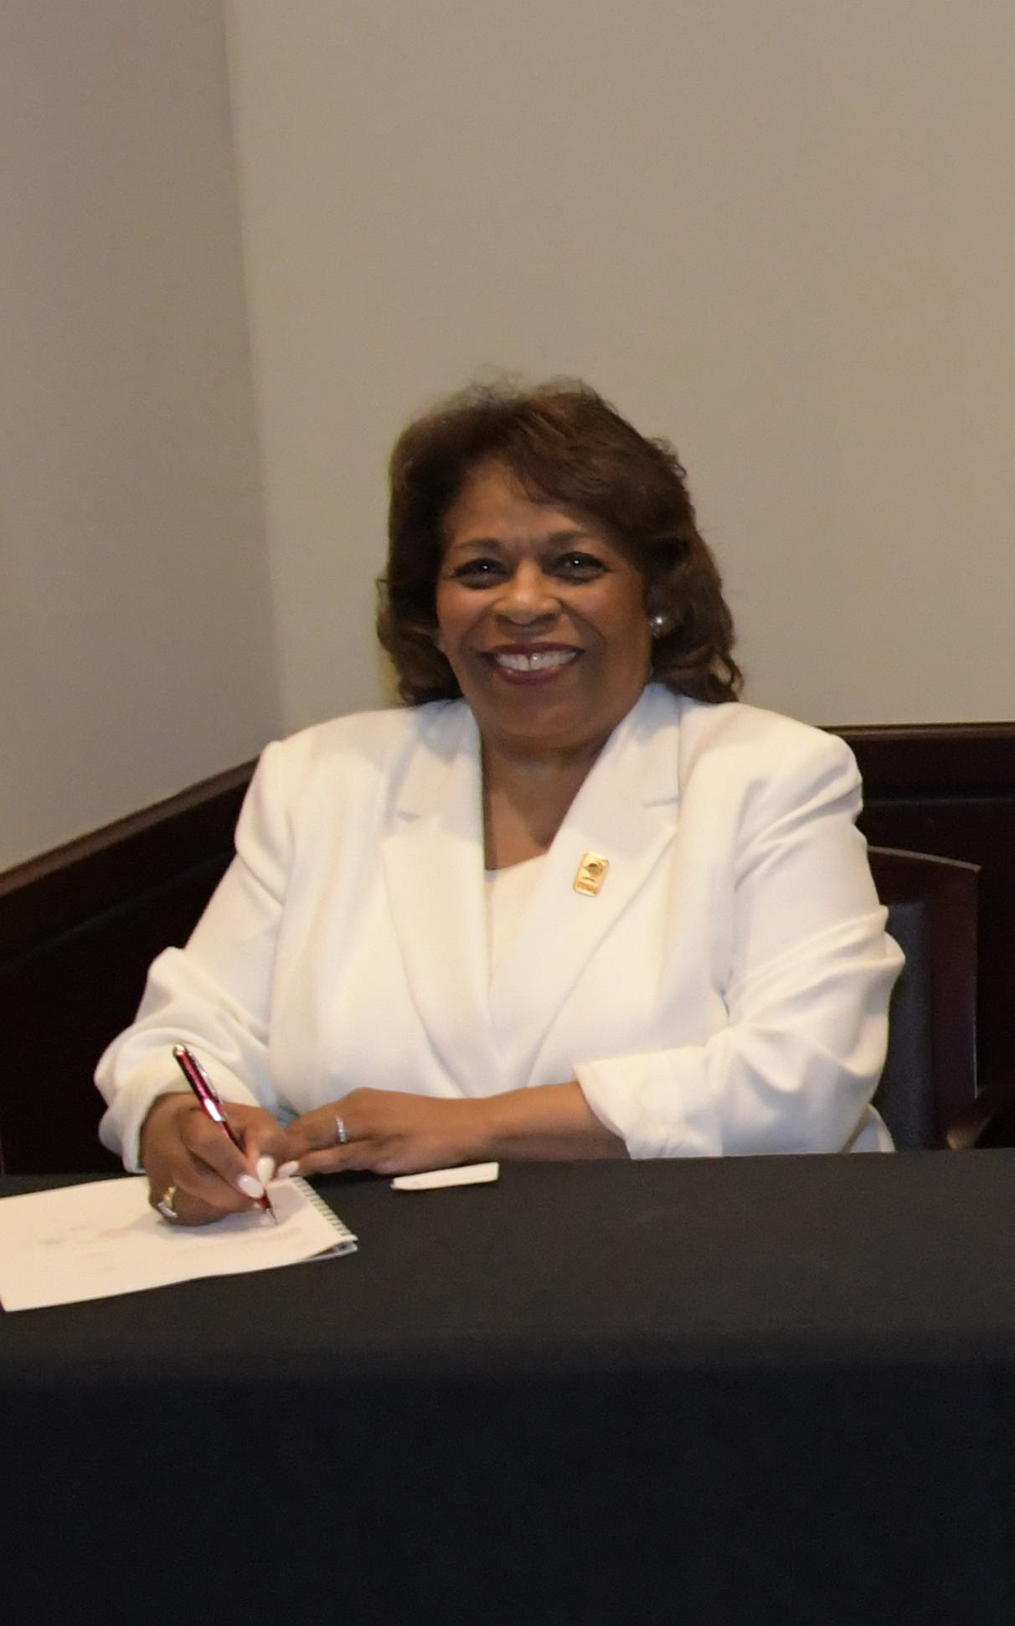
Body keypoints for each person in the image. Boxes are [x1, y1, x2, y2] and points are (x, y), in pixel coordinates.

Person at [100, 384, 903, 1222]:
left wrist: (469, 1128)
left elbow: (802, 1079)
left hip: (702, 1262)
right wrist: (177, 1118)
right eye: (481, 569)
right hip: (368, 1281)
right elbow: (181, 1035)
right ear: (432, 610)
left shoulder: (769, 775)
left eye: (575, 563)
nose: (522, 603)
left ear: (657, 597)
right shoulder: (321, 781)